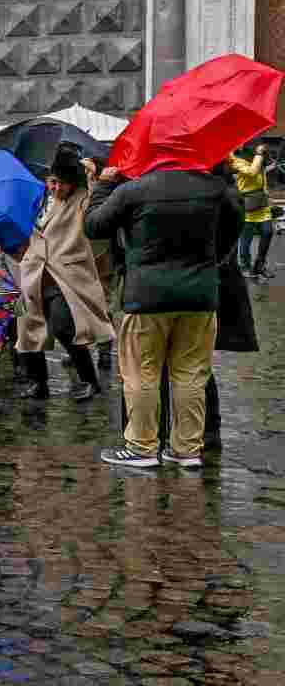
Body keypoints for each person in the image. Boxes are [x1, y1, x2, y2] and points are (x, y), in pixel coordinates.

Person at [85, 160, 243, 468]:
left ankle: (142, 448)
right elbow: (235, 226)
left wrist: (104, 184)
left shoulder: (133, 190)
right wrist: (210, 262)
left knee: (142, 372)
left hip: (146, 298)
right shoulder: (214, 188)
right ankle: (186, 450)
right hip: (199, 296)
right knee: (191, 374)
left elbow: (93, 226)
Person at [15, 150, 113, 402]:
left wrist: (95, 180)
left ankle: (89, 380)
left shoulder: (81, 199)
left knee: (63, 326)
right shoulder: (39, 198)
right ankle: (38, 383)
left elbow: (96, 208)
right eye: (52, 181)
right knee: (28, 328)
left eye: (62, 182)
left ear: (73, 183)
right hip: (34, 272)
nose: (56, 187)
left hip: (65, 275)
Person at [229, 143, 277, 281]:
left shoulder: (254, 153)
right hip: (247, 202)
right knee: (246, 238)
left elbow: (262, 171)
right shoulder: (234, 158)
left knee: (268, 232)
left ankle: (259, 265)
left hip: (261, 200)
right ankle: (245, 266)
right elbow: (252, 171)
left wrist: (266, 155)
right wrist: (259, 154)